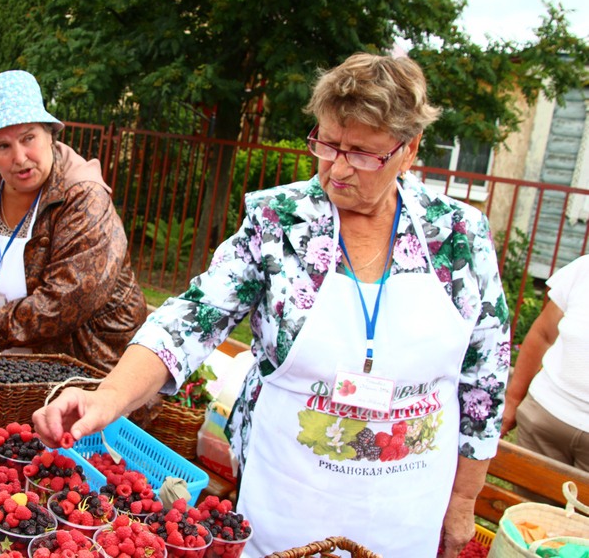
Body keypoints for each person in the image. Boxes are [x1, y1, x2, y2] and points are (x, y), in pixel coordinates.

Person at [33, 53, 510, 557]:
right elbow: (191, 318)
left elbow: (486, 379)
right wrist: (108, 398)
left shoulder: (458, 235)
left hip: (408, 506)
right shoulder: (279, 223)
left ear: (409, 150)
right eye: (327, 143)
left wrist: (462, 500)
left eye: (363, 154)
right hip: (288, 496)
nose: (338, 167)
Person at [0, 70, 148, 378]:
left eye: (29, 138)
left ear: (49, 134)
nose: (20, 157)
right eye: (2, 146)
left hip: (83, 374)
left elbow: (67, 298)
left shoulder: (84, 198)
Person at [501, 254, 589, 471]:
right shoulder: (583, 270)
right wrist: (512, 400)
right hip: (544, 419)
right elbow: (543, 335)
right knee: (526, 505)